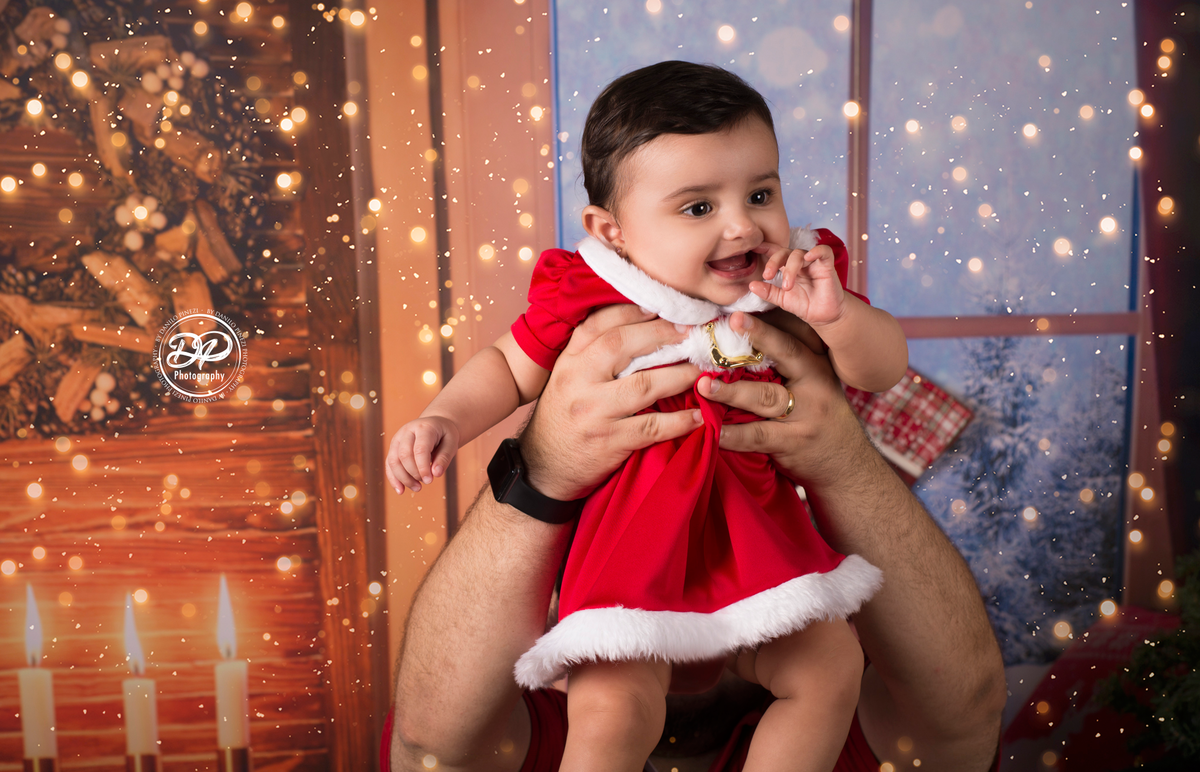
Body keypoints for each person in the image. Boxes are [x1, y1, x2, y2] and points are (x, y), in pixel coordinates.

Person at [386, 62, 909, 771]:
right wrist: (444, 418)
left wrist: (840, 318)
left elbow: (880, 369)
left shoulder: (788, 283)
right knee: (610, 710)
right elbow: (509, 365)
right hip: (633, 559)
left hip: (755, 546)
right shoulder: (594, 292)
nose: (741, 224)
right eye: (698, 208)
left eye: (760, 192)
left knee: (830, 668)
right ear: (615, 231)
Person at [385, 305, 1006, 772]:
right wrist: (543, 466)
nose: (689, 581)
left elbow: (965, 712)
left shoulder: (845, 722)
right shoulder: (535, 732)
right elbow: (429, 745)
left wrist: (841, 459)